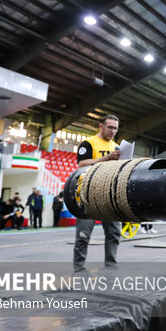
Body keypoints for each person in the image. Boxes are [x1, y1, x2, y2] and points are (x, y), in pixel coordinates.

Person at [73, 115, 121, 272]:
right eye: (110, 127)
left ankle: (111, 265)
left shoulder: (116, 147)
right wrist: (107, 158)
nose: (113, 131)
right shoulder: (89, 143)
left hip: (108, 194)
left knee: (114, 232)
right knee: (83, 235)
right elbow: (81, 164)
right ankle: (79, 269)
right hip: (87, 194)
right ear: (101, 126)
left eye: (115, 128)